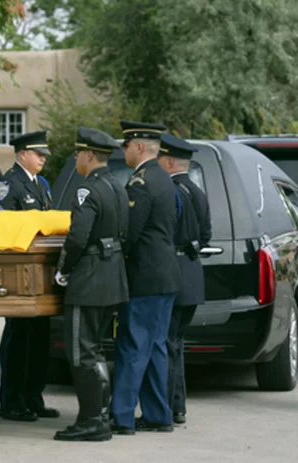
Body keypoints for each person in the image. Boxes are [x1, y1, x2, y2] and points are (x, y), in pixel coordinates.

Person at [53, 128, 129, 442]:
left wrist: (63, 270)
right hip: (111, 276)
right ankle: (100, 415)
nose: (76, 159)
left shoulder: (88, 191)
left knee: (80, 353)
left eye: (77, 154)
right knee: (95, 350)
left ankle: (90, 420)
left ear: (87, 155)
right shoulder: (118, 186)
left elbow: (77, 238)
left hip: (88, 279)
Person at [110, 120, 180, 435]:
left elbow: (129, 234)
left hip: (145, 278)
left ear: (139, 146)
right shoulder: (164, 179)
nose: (124, 150)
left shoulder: (141, 182)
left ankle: (122, 416)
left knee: (133, 346)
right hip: (164, 276)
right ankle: (158, 415)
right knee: (154, 347)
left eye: (126, 145)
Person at [0, 130, 59, 422]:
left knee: (39, 340)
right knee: (19, 340)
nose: (43, 158)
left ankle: (33, 396)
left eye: (44, 154)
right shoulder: (10, 184)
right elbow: (6, 228)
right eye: (38, 154)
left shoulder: (41, 184)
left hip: (41, 277)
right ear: (22, 155)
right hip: (21, 274)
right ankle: (12, 401)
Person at [157, 133, 212, 425]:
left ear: (167, 161)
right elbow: (205, 236)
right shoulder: (199, 192)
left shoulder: (171, 193)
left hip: (172, 277)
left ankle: (165, 407)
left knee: (166, 344)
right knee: (175, 344)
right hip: (192, 276)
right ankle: (177, 407)